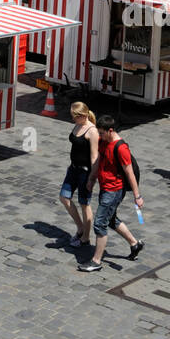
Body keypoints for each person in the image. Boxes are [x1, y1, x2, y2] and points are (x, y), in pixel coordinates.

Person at [78, 116, 144, 273]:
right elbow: (98, 162)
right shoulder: (103, 141)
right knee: (111, 219)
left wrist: (137, 196)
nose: (99, 137)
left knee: (100, 223)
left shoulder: (121, 148)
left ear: (111, 131)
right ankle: (135, 244)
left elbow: (129, 173)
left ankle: (96, 261)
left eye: (102, 133)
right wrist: (91, 179)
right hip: (104, 187)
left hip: (114, 190)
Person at [59, 102, 98, 247]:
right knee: (64, 197)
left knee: (84, 204)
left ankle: (86, 237)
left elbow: (95, 156)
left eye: (75, 117)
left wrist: (92, 178)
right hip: (73, 169)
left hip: (85, 172)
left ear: (83, 116)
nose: (73, 119)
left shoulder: (92, 131)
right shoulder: (78, 125)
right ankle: (80, 227)